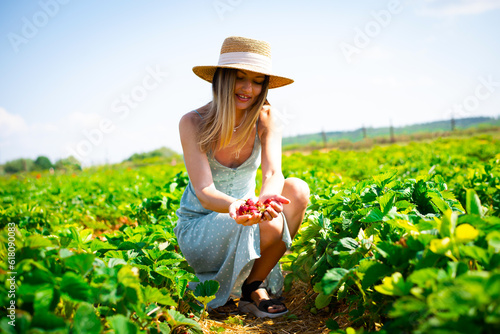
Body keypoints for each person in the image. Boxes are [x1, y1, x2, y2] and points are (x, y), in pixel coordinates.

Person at [174, 36, 310, 318]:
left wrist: (266, 199)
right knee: (270, 225)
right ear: (222, 79)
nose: (249, 88)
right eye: (240, 77)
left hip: (246, 213)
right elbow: (204, 190)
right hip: (201, 224)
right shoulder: (193, 122)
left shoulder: (266, 117)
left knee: (297, 190)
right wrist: (236, 206)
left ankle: (253, 286)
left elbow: (273, 172)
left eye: (258, 80)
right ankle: (244, 288)